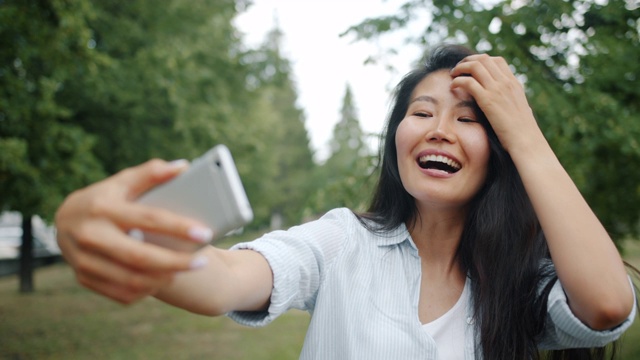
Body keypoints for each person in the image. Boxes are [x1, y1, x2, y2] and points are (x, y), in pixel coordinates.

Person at [55, 44, 636, 359]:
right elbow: (227, 277)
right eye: (421, 112)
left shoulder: (517, 276)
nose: (439, 129)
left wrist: (525, 133)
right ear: (396, 140)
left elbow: (607, 308)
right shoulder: (341, 241)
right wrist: (130, 239)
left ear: (501, 152)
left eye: (469, 119)